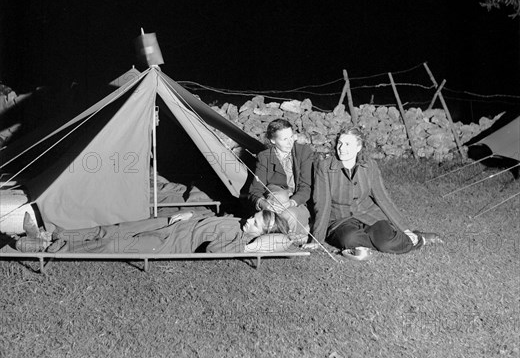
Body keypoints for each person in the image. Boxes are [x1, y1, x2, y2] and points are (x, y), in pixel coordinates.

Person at [305, 126, 442, 261]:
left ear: (358, 147)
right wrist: (317, 239)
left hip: (370, 215)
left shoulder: (369, 166)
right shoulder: (325, 167)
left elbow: (383, 199)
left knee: (386, 243)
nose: (341, 148)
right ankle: (386, 239)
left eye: (347, 144)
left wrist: (405, 229)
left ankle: (418, 238)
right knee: (349, 240)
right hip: (340, 221)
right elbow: (322, 203)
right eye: (340, 143)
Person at [45, 209, 293, 255]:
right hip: (170, 224)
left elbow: (211, 250)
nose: (250, 220)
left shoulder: (238, 240)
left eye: (256, 223)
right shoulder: (238, 222)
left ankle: (53, 248)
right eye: (254, 216)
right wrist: (191, 215)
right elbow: (210, 219)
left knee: (114, 245)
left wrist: (249, 247)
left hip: (167, 244)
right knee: (114, 229)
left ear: (261, 234)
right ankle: (61, 234)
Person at [244, 119, 313, 238]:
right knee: (279, 196)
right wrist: (264, 204)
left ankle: (279, 236)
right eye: (284, 139)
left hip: (297, 202)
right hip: (274, 202)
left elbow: (305, 187)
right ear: (272, 140)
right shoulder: (264, 157)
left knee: (290, 215)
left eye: (291, 137)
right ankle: (293, 234)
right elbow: (255, 190)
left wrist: (291, 202)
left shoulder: (303, 152)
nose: (290, 142)